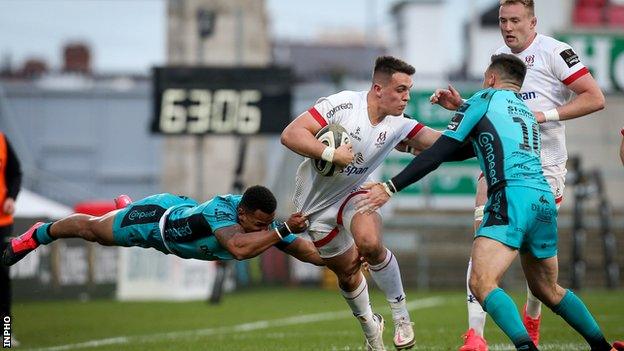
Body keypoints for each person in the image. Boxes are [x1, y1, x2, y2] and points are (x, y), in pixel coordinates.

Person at [358, 54, 623, 351]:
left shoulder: (484, 97)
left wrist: (390, 186)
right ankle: (602, 347)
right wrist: (435, 145)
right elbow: (475, 146)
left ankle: (525, 347)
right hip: (543, 199)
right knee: (548, 289)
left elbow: (439, 152)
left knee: (482, 282)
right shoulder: (523, 110)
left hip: (511, 197)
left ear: (492, 78)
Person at [430, 0, 605, 349]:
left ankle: (533, 318)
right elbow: (493, 109)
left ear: (532, 21)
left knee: (536, 264)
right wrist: (461, 106)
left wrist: (544, 116)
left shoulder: (556, 51)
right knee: (481, 233)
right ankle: (475, 336)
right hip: (503, 162)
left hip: (545, 166)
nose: (508, 27)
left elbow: (595, 97)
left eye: (515, 20)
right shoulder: (499, 56)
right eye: (502, 20)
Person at [281, 55, 440, 350]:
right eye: (401, 90)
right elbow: (291, 134)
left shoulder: (399, 123)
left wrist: (479, 132)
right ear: (378, 88)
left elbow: (441, 144)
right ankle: (371, 329)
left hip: (357, 193)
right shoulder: (342, 105)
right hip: (315, 209)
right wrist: (331, 154)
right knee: (347, 273)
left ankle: (402, 317)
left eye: (409, 89)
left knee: (369, 243)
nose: (407, 97)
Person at [3, 185, 324, 269]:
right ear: (241, 213)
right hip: (156, 220)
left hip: (176, 210)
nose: (261, 230)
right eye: (257, 224)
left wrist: (350, 257)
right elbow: (239, 250)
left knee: (107, 230)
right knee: (95, 232)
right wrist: (280, 231)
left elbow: (308, 252)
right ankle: (37, 234)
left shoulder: (266, 225)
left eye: (266, 225)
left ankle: (127, 207)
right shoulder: (221, 211)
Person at [0, 132, 22, 347]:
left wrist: (11, 197)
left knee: (3, 278)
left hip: (2, 221)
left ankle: (6, 334)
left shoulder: (2, 140)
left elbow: (16, 173)